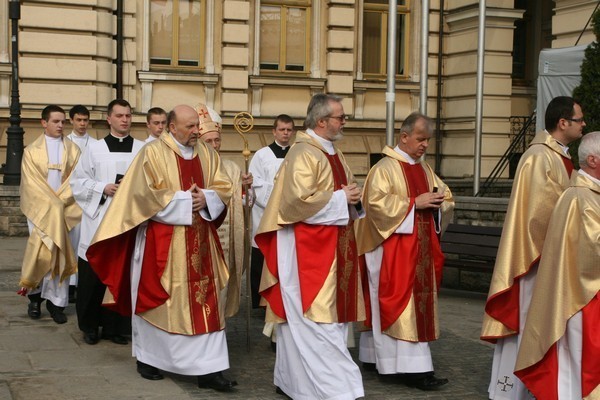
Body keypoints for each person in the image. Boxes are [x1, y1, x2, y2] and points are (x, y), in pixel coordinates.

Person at [86, 104, 236, 391]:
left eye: (197, 126)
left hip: (202, 241)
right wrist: (183, 201)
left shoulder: (206, 153)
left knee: (206, 301)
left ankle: (208, 369)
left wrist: (206, 198)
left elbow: (223, 185)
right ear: (172, 127)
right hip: (164, 242)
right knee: (161, 301)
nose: (196, 131)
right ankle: (150, 358)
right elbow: (141, 195)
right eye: (190, 127)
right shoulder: (152, 153)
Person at [256, 93, 365, 399]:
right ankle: (341, 390)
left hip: (333, 248)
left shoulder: (333, 152)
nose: (344, 122)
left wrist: (353, 197)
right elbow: (295, 204)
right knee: (317, 323)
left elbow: (345, 194)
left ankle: (292, 382)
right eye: (339, 117)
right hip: (308, 252)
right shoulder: (304, 153)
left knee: (306, 324)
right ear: (321, 121)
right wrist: (342, 198)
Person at [481, 96, 584, 400]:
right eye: (579, 119)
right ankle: (508, 389)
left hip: (552, 259)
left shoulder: (560, 157)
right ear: (562, 122)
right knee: (526, 322)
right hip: (535, 258)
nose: (584, 124)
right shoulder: (540, 156)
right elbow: (539, 213)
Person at [355, 112, 454, 390]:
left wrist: (438, 203)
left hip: (420, 247)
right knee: (396, 302)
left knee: (413, 302)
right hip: (392, 250)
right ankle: (414, 370)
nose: (424, 145)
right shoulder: (384, 168)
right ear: (405, 137)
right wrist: (414, 203)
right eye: (420, 139)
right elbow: (374, 206)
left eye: (428, 141)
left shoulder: (424, 169)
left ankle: (379, 358)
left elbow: (446, 196)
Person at [513, 131, 600, 400]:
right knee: (578, 364)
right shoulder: (579, 198)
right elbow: (591, 249)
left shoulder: (587, 195)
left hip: (583, 293)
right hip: (581, 297)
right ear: (593, 160)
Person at [71, 99, 145, 345]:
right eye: (120, 115)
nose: (125, 120)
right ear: (109, 118)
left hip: (129, 222)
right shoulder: (94, 149)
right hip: (100, 221)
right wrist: (105, 187)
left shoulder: (143, 149)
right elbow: (78, 183)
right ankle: (90, 326)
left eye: (128, 115)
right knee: (94, 276)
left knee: (123, 276)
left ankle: (116, 327)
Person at [18, 105, 82, 324]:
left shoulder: (73, 150)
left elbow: (77, 180)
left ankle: (57, 305)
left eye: (63, 122)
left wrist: (60, 203)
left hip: (65, 212)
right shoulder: (31, 151)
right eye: (56, 121)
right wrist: (51, 204)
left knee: (62, 252)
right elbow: (30, 184)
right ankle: (34, 300)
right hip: (40, 212)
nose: (60, 125)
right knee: (40, 251)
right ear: (44, 123)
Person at [198, 104, 253, 318]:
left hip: (225, 242)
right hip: (202, 238)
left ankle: (218, 336)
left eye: (217, 140)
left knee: (221, 291)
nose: (214, 145)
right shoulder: (193, 166)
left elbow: (242, 205)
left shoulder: (230, 167)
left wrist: (245, 190)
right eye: (208, 141)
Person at [248, 114, 294, 309]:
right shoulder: (261, 155)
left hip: (289, 215)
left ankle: (285, 298)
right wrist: (277, 196)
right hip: (265, 214)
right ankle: (261, 301)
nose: (285, 133)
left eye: (289, 130)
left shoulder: (298, 154)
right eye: (282, 129)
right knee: (262, 256)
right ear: (274, 131)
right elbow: (254, 183)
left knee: (286, 258)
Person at [66, 104, 97, 302]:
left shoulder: (95, 145)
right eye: (79, 120)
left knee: (83, 244)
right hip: (68, 201)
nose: (83, 124)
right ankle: (68, 284)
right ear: (71, 121)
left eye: (85, 120)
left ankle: (80, 283)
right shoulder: (64, 143)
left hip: (88, 201)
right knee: (69, 243)